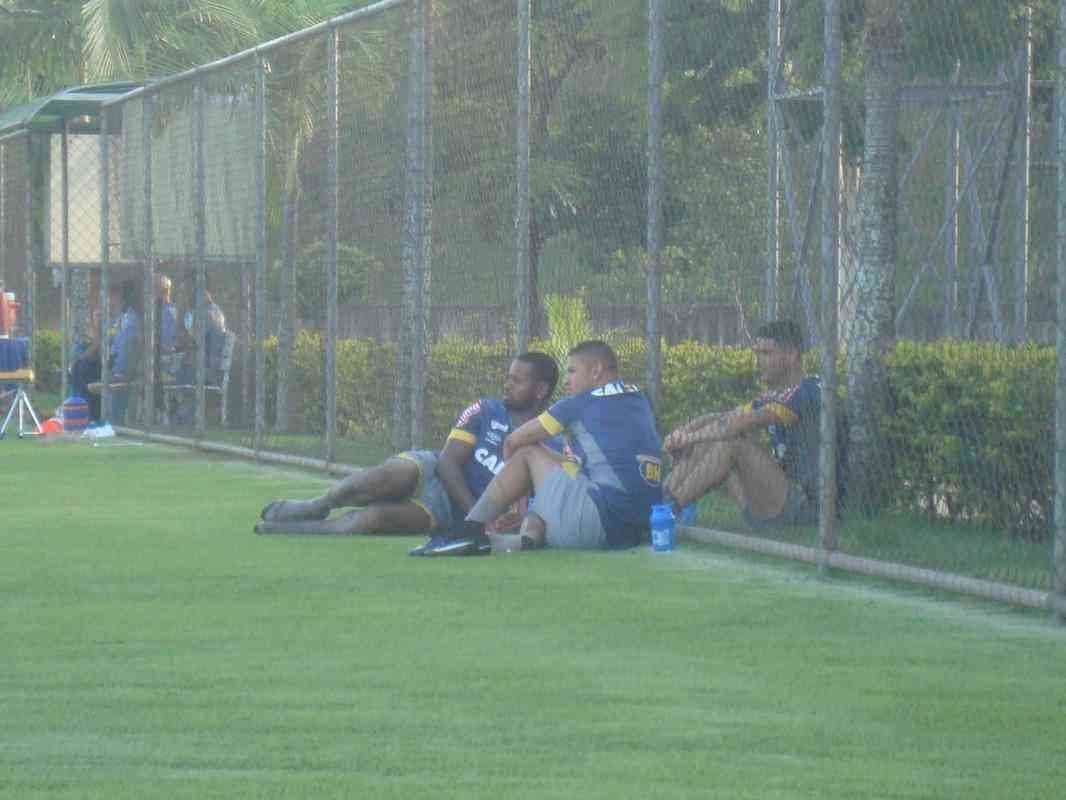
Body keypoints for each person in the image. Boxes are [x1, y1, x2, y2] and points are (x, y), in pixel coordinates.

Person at [254, 351, 560, 540]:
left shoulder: (553, 444)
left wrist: (496, 521)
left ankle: (293, 531)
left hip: (446, 512)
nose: (507, 384)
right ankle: (316, 506)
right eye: (508, 378)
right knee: (383, 477)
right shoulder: (485, 409)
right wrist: (476, 516)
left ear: (540, 390)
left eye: (517, 381)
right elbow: (447, 462)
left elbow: (534, 505)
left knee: (373, 520)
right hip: (434, 473)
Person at [415, 340, 663, 556]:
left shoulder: (578, 403)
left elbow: (514, 442)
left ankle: (469, 528)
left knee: (528, 451)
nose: (566, 381)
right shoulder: (639, 399)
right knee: (547, 496)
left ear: (596, 370)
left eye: (573, 371)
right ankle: (519, 542)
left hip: (601, 521)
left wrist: (518, 501)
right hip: (642, 527)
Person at [661, 319, 841, 528]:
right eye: (757, 353)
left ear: (792, 356)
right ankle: (658, 500)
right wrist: (683, 433)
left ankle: (667, 512)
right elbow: (723, 418)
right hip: (775, 499)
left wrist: (689, 438)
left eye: (766, 353)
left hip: (808, 506)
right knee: (714, 435)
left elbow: (739, 424)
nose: (758, 361)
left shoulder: (809, 391)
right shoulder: (775, 395)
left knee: (732, 442)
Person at [68, 279, 140, 421]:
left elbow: (107, 351)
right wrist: (97, 328)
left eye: (113, 296)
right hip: (106, 363)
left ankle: (87, 416)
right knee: (80, 365)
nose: (108, 301)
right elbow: (98, 350)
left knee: (82, 367)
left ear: (122, 299)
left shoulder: (127, 320)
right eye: (106, 297)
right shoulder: (109, 320)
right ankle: (80, 413)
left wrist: (97, 330)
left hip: (120, 368)